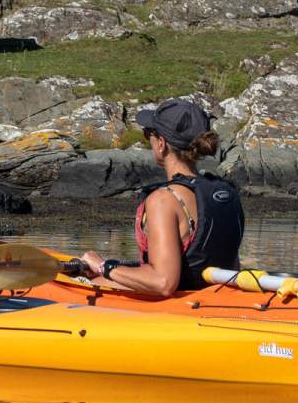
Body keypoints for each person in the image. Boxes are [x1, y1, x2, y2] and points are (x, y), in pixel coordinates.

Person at [79, 98, 244, 295]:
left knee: (84, 281)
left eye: (148, 134)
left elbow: (163, 283)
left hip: (180, 309)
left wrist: (102, 266)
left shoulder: (164, 200)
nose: (148, 139)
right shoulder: (226, 193)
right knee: (92, 280)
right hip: (216, 300)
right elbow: (232, 266)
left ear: (161, 144)